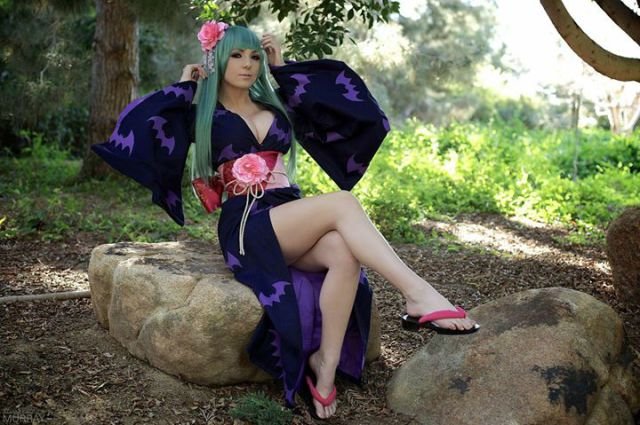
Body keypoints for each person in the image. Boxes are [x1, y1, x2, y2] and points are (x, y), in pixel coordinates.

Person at [91, 22, 479, 420]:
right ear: (217, 59)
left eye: (254, 56)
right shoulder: (201, 114)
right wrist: (185, 86)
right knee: (344, 203)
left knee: (344, 253)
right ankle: (417, 294)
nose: (248, 64)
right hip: (246, 223)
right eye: (236, 55)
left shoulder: (274, 105)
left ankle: (325, 365)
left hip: (287, 210)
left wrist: (282, 69)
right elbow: (143, 123)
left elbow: (333, 107)